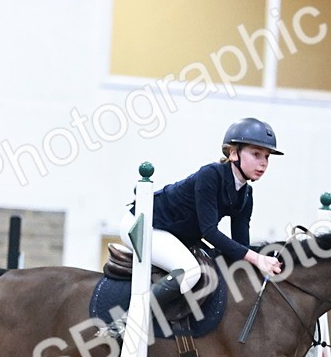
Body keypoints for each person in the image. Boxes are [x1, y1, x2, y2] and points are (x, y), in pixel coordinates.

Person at [121, 117, 284, 311]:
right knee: (189, 272)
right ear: (233, 154)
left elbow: (241, 247)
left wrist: (271, 255)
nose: (263, 163)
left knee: (215, 268)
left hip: (176, 236)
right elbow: (210, 232)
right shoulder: (211, 175)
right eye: (256, 154)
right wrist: (258, 258)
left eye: (267, 157)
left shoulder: (245, 195)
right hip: (144, 225)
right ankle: (128, 320)